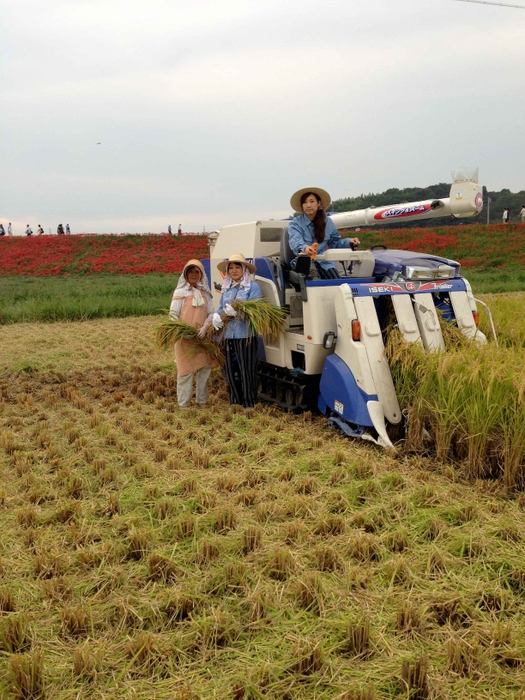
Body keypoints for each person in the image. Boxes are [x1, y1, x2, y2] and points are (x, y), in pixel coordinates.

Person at [212, 253, 262, 408]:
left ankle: (249, 404)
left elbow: (256, 310)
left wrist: (239, 312)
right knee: (231, 368)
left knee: (246, 370)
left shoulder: (252, 287)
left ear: (244, 269)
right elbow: (222, 307)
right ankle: (235, 401)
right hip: (228, 335)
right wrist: (217, 317)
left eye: (237, 267)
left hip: (245, 335)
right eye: (231, 268)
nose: (234, 270)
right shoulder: (227, 288)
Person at [169, 259, 216, 410]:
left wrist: (205, 327)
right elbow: (173, 315)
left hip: (202, 339)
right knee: (185, 371)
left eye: (197, 272)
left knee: (204, 369)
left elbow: (211, 313)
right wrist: (181, 331)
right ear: (185, 274)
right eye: (191, 272)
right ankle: (184, 405)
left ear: (201, 274)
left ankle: (202, 401)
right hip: (184, 339)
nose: (194, 275)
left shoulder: (205, 293)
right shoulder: (180, 293)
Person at [288, 187, 360, 279]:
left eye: (311, 201)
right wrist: (305, 248)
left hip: (325, 262)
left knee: (335, 281)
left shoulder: (328, 222)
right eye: (305, 202)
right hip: (304, 262)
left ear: (319, 203)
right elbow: (295, 241)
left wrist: (349, 242)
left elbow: (335, 243)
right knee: (312, 275)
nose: (308, 205)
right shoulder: (295, 224)